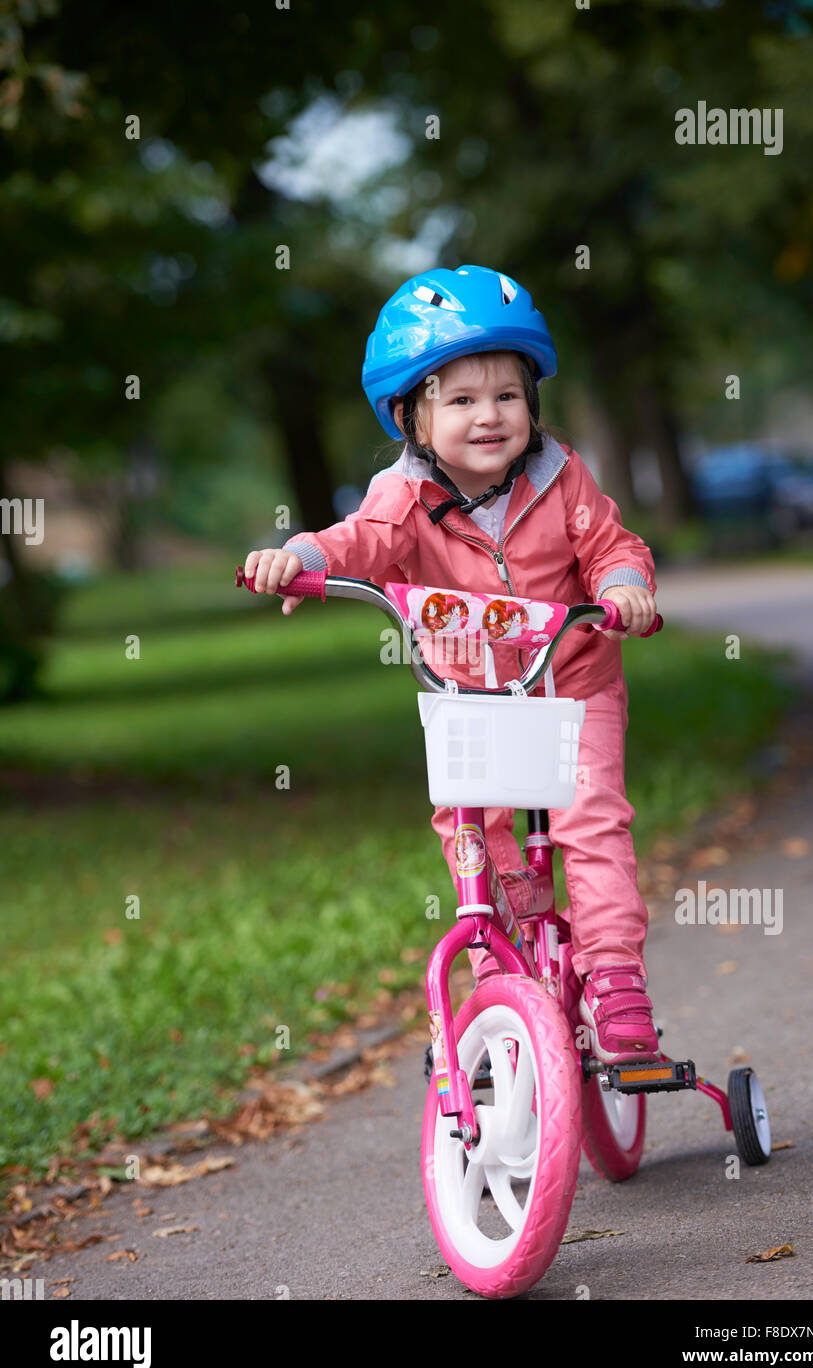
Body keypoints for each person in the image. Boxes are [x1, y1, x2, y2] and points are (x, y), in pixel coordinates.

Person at [244, 265, 660, 1063]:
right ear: (411, 417)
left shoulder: (560, 476)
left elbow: (612, 545)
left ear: (530, 404)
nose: (488, 415)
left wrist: (622, 587)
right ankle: (499, 978)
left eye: (506, 395)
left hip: (573, 687)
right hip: (469, 698)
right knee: (475, 834)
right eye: (460, 400)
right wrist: (298, 557)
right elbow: (356, 541)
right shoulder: (402, 498)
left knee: (592, 822)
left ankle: (613, 979)